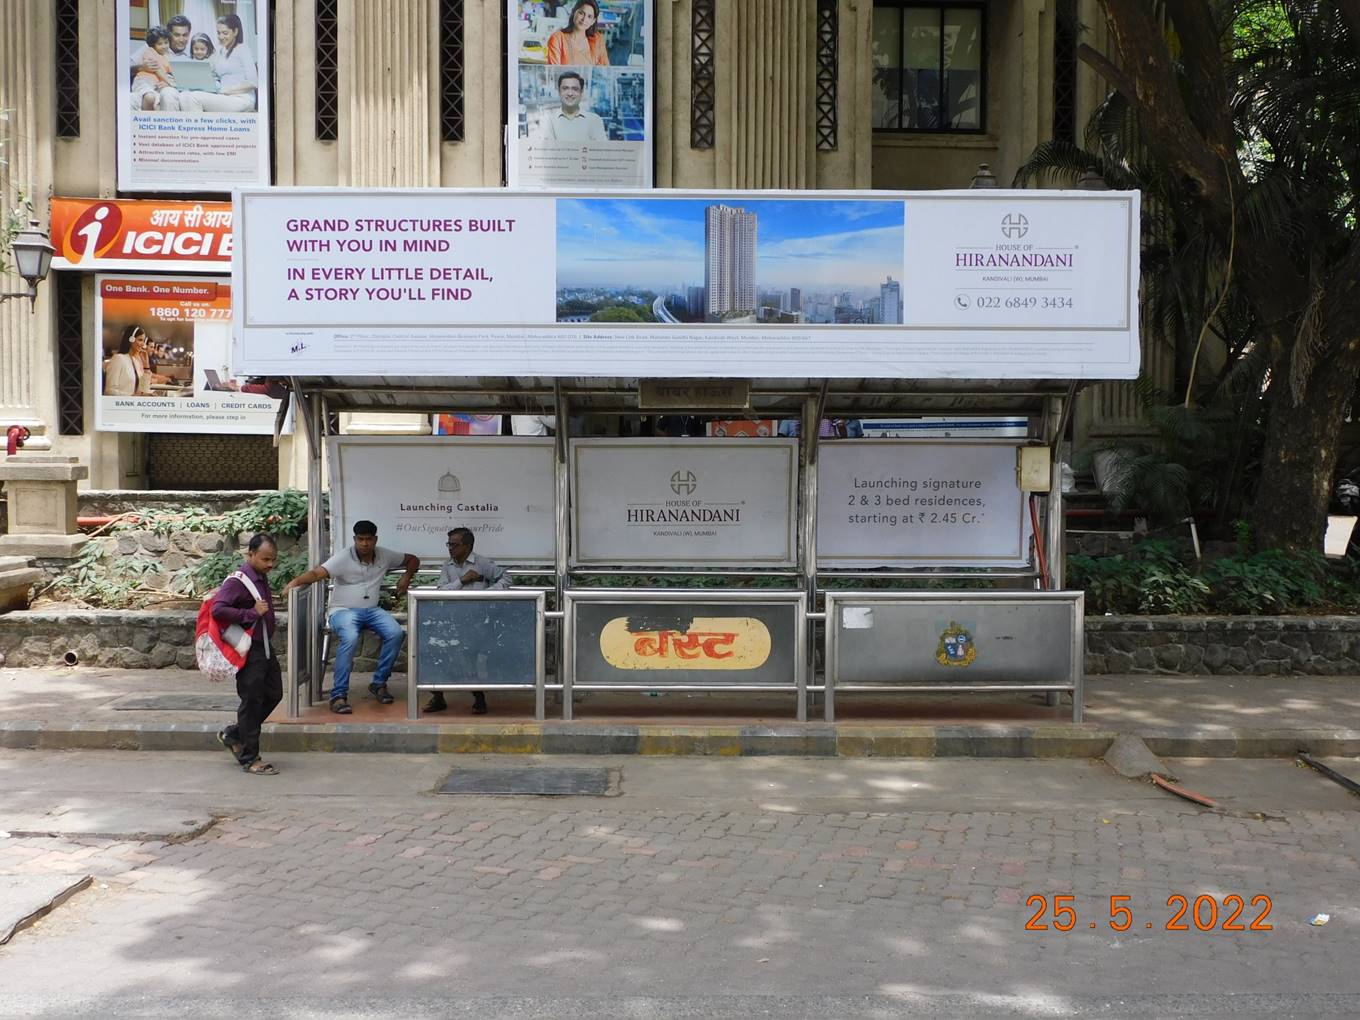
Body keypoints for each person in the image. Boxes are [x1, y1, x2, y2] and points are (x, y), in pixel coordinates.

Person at [282, 521, 420, 713]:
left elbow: (413, 559)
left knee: (396, 633)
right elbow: (317, 573)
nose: (364, 544)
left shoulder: (384, 555)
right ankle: (338, 695)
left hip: (371, 610)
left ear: (375, 539)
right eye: (360, 539)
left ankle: (379, 683)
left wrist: (406, 576)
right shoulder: (343, 558)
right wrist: (295, 582)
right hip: (342, 610)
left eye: (368, 539)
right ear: (355, 539)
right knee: (350, 636)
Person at [213, 533, 283, 776]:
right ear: (250, 554)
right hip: (248, 650)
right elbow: (219, 610)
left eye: (273, 559)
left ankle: (236, 734)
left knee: (274, 693)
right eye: (265, 559)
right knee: (251, 701)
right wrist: (252, 614)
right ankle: (250, 758)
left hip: (264, 647)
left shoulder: (260, 577)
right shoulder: (237, 581)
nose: (270, 564)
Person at [424, 527, 509, 715]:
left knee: (469, 656)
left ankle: (479, 698)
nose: (450, 548)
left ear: (467, 546)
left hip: (477, 622)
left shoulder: (483, 563)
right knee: (436, 653)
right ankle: (437, 696)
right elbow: (440, 591)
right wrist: (462, 580)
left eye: (454, 545)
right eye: (449, 544)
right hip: (452, 619)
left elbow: (506, 578)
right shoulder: (448, 566)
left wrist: (486, 594)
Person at [180, 14, 257, 113]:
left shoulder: (243, 49)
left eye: (225, 33)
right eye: (218, 33)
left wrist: (227, 91)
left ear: (235, 31)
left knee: (194, 97)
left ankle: (200, 127)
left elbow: (253, 83)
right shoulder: (220, 51)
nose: (221, 37)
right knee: (183, 96)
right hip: (224, 96)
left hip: (241, 98)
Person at [540, 71, 607, 142]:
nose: (570, 93)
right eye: (565, 88)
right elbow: (549, 151)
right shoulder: (549, 122)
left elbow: (600, 151)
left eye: (575, 89)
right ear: (559, 92)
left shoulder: (595, 120)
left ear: (581, 93)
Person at [130, 26, 181, 111]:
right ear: (153, 45)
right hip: (144, 80)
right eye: (160, 44)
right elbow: (157, 69)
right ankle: (146, 121)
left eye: (166, 42)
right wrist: (170, 82)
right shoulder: (150, 51)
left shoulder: (167, 57)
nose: (164, 46)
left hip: (156, 84)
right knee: (150, 98)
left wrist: (173, 82)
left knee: (158, 103)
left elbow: (174, 72)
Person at [545, 0, 610, 65]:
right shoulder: (558, 38)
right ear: (573, 12)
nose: (584, 19)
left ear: (593, 21)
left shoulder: (597, 40)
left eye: (589, 16)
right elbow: (554, 71)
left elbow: (605, 70)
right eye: (581, 13)